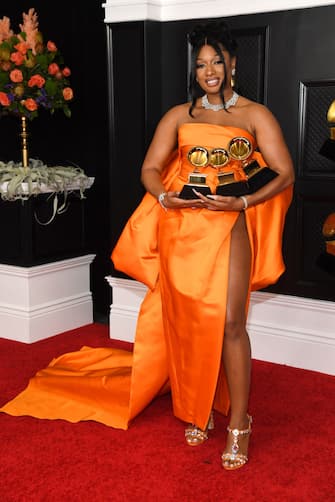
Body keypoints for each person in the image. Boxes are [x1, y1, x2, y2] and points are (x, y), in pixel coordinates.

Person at [0, 20, 294, 471]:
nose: (210, 70)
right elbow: (150, 169)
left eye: (217, 61)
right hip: (180, 230)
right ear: (194, 70)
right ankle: (197, 409)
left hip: (229, 225)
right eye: (201, 64)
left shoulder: (256, 115)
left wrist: (243, 201)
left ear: (233, 63)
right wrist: (163, 196)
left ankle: (239, 421)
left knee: (232, 322)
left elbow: (285, 172)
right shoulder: (179, 116)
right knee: (187, 321)